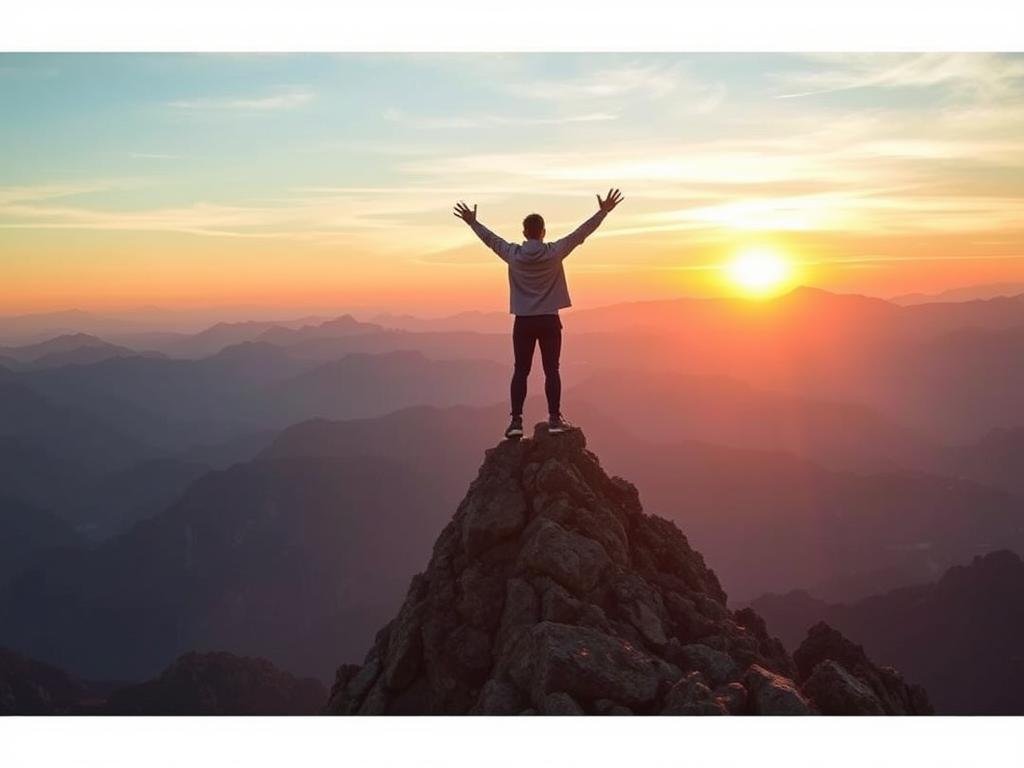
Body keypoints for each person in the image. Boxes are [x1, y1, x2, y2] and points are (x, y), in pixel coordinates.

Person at [453, 189, 624, 439]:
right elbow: (581, 233)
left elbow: (490, 239)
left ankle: (516, 422)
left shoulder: (513, 255)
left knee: (520, 370)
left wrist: (472, 222)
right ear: (543, 232)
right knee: (551, 370)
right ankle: (554, 419)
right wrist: (603, 211)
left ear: (524, 233)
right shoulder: (555, 252)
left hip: (523, 322)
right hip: (549, 321)